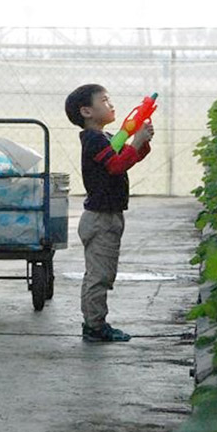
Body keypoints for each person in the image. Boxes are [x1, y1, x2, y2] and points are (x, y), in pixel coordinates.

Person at [64, 84, 153, 342]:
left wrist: (141, 142)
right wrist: (136, 141)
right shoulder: (93, 140)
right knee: (99, 275)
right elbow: (116, 165)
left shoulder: (104, 138)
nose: (111, 104)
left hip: (107, 215)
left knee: (102, 273)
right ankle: (94, 326)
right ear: (87, 111)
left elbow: (125, 158)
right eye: (104, 100)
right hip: (101, 218)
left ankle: (95, 323)